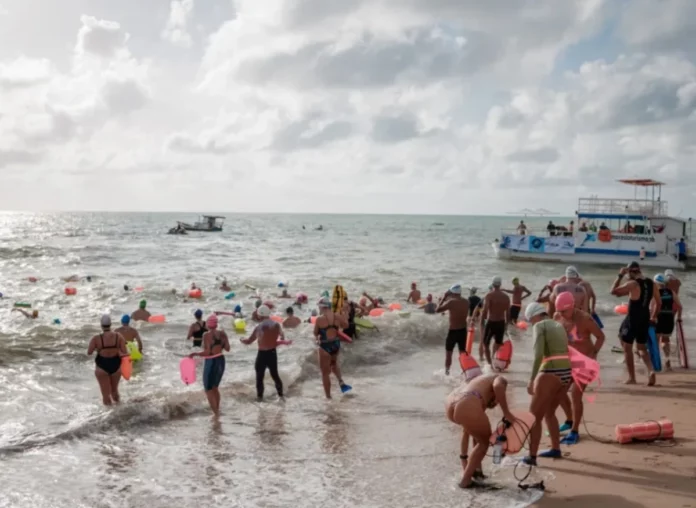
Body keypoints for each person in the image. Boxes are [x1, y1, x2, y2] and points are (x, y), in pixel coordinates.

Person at [521, 302, 572, 464]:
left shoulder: (540, 326)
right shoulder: (558, 325)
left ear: (535, 316)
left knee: (533, 417)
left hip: (550, 372)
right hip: (566, 373)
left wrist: (531, 380)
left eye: (530, 320)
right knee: (549, 413)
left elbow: (538, 355)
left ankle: (532, 456)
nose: (531, 324)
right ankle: (555, 449)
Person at [445, 373, 515, 489]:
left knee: (479, 439)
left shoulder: (479, 386)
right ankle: (465, 481)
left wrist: (464, 461)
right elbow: (498, 386)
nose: (496, 403)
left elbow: (466, 433)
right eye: (497, 401)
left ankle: (477, 473)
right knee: (484, 443)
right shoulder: (499, 378)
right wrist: (506, 412)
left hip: (451, 404)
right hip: (466, 401)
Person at [553, 292, 605, 446]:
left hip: (585, 362)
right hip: (567, 361)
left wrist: (594, 354)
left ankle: (575, 431)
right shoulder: (557, 317)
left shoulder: (585, 319)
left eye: (564, 311)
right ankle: (569, 420)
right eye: (559, 311)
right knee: (559, 391)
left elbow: (601, 337)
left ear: (573, 306)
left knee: (576, 394)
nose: (562, 315)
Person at [611, 262, 661, 386]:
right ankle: (651, 370)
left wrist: (619, 275)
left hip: (632, 319)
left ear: (631, 273)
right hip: (645, 318)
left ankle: (632, 378)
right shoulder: (651, 283)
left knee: (627, 348)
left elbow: (613, 291)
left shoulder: (632, 284)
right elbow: (658, 303)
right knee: (642, 348)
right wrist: (653, 317)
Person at [241, 305, 285, 402]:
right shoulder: (276, 325)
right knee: (275, 375)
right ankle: (281, 396)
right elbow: (282, 336)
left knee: (259, 377)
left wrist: (242, 340)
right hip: (273, 353)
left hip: (262, 354)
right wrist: (280, 340)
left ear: (260, 315)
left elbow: (249, 341)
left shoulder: (259, 327)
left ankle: (260, 398)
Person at [189, 315, 230, 415]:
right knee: (215, 387)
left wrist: (196, 354)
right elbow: (228, 348)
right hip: (221, 360)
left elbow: (208, 352)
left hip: (211, 362)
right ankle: (217, 410)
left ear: (208, 324)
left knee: (208, 389)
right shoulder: (223, 333)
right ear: (216, 324)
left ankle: (215, 414)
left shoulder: (206, 335)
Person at [87, 315, 128, 406]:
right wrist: (116, 350)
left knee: (106, 395)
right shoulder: (118, 336)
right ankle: (119, 409)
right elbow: (125, 352)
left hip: (102, 366)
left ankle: (108, 416)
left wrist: (99, 348)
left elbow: (89, 352)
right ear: (110, 324)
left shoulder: (96, 338)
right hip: (116, 365)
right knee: (114, 391)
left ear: (101, 325)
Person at [313, 297, 350, 398]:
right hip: (335, 345)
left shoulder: (319, 319)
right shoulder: (337, 316)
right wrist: (344, 313)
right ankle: (341, 382)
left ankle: (328, 398)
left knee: (325, 373)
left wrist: (317, 337)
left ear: (322, 307)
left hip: (325, 345)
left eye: (319, 306)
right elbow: (346, 325)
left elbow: (315, 333)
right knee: (333, 364)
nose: (319, 309)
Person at [435, 285, 470, 375]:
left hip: (453, 331)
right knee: (462, 353)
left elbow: (437, 310)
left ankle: (447, 373)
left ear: (452, 293)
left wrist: (444, 298)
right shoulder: (466, 302)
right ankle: (465, 372)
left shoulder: (451, 302)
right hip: (463, 331)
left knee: (449, 353)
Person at [653, 274, 682, 371]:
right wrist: (679, 318)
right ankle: (667, 360)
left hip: (659, 318)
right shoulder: (671, 292)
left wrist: (651, 318)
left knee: (656, 341)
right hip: (669, 318)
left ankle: (657, 363)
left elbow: (652, 307)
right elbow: (679, 306)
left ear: (656, 283)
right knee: (665, 340)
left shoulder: (655, 293)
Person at [480, 277, 510, 368]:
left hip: (491, 322)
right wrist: (506, 325)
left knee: (485, 343)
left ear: (493, 284)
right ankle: (493, 358)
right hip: (501, 322)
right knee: (497, 343)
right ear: (500, 285)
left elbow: (485, 310)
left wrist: (482, 321)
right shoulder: (506, 297)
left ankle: (490, 364)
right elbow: (508, 313)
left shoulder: (489, 295)